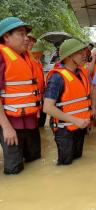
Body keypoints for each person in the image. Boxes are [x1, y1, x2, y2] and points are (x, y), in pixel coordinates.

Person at [0, 17, 41, 174]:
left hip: (29, 121)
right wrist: (6, 128)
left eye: (26, 34)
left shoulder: (26, 57)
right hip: (9, 123)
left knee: (35, 160)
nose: (26, 39)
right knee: (14, 169)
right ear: (6, 37)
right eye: (21, 34)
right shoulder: (2, 56)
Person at [43, 38, 92, 165]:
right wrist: (75, 120)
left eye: (84, 51)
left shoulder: (81, 73)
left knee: (78, 161)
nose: (84, 54)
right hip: (64, 130)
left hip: (80, 127)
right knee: (65, 164)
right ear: (69, 56)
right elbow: (47, 108)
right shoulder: (57, 77)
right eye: (80, 52)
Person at [30, 40, 47, 127]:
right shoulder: (30, 63)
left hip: (40, 96)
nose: (42, 53)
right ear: (37, 51)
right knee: (37, 123)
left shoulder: (38, 62)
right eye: (41, 51)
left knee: (41, 122)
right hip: (34, 98)